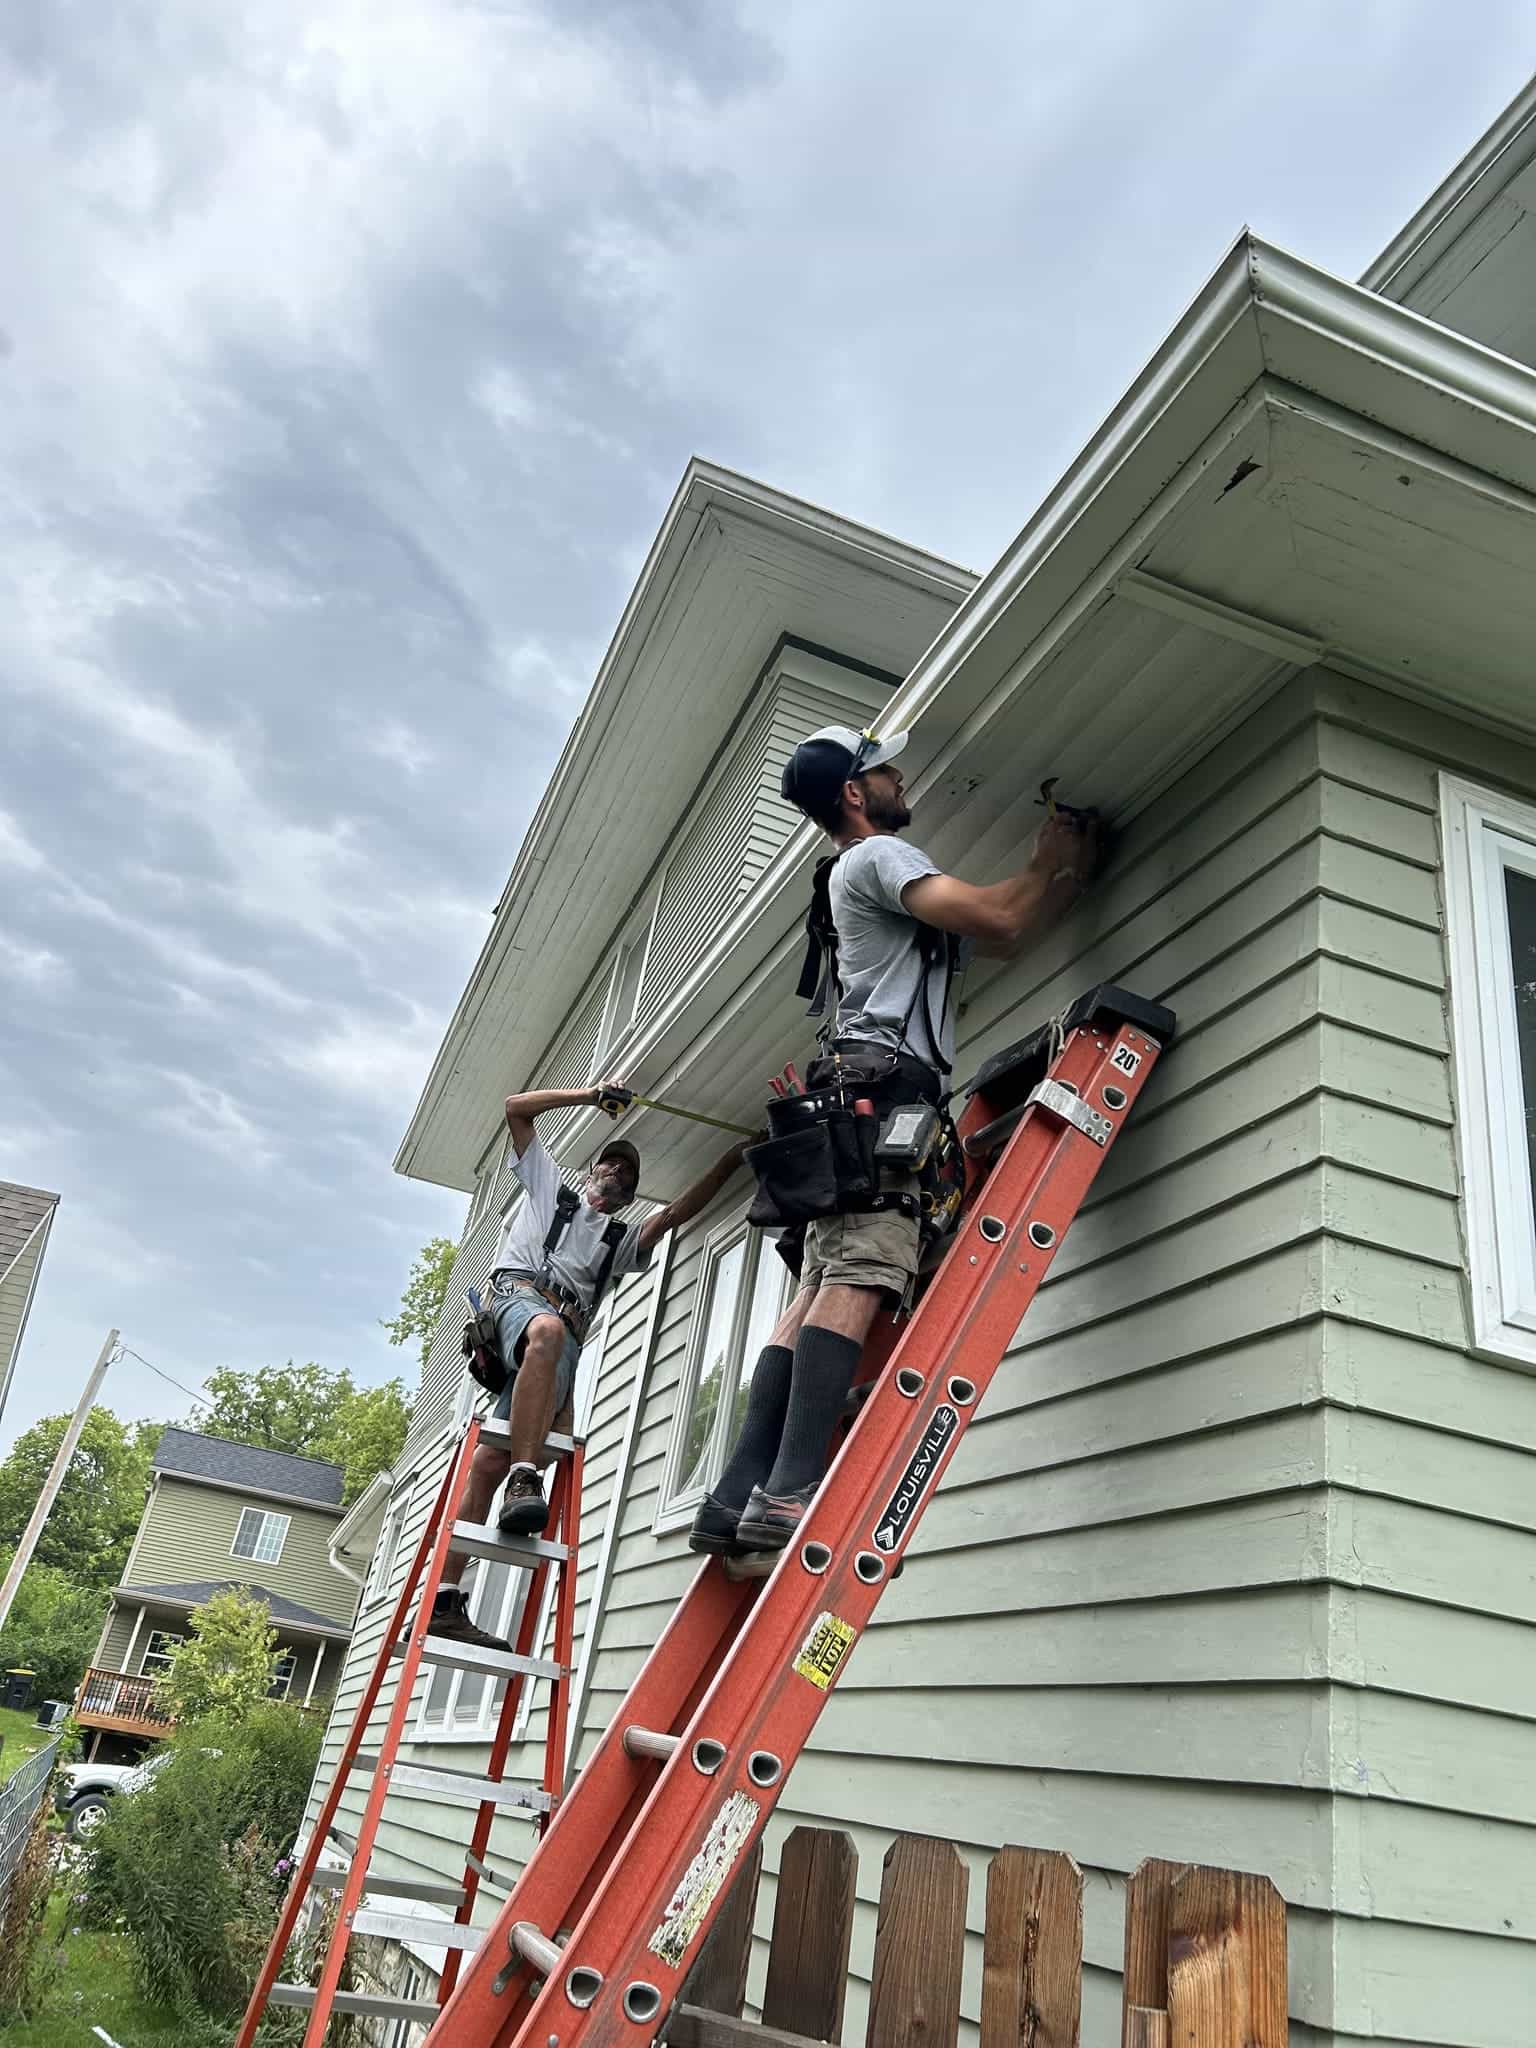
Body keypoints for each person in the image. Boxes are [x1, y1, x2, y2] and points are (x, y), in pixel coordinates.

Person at [690, 723, 1101, 1558]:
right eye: (885, 770)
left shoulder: (845, 877)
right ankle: (788, 1491)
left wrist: (1065, 877)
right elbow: (992, 912)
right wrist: (1044, 852)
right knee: (862, 1271)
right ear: (854, 793)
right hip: (883, 1095)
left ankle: (734, 1495)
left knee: (812, 1291)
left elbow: (1011, 930)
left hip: (851, 1095)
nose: (900, 777)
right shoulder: (877, 859)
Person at [433, 1078, 751, 1648]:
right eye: (611, 1164)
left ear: (631, 1195)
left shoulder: (619, 1242)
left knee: (489, 1463)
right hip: (517, 1302)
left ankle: (444, 1602)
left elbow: (679, 1210)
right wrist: (588, 1096)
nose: (619, 1175)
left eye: (629, 1175)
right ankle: (524, 1475)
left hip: (560, 1346)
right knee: (547, 1335)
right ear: (590, 1170)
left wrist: (732, 1158)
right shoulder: (552, 1190)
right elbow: (513, 1108)